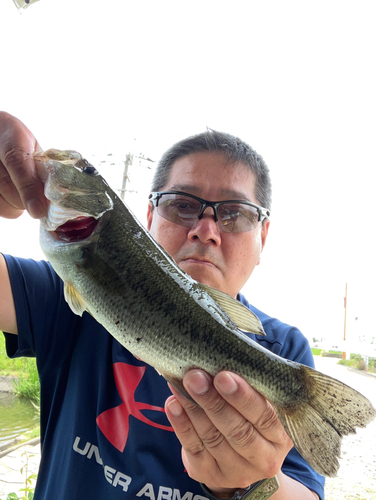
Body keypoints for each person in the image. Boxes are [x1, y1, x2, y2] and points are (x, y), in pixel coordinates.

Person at [0, 111, 324, 500]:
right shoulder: (71, 298)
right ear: (149, 216)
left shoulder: (284, 351)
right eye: (182, 205)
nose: (205, 230)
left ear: (263, 238)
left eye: (235, 214)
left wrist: (249, 483)